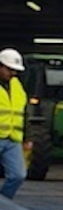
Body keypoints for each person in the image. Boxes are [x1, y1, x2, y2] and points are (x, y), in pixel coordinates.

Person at [0, 48, 27, 200]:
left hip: (12, 139)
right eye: (10, 69)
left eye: (15, 70)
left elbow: (23, 111)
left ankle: (3, 204)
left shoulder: (17, 86)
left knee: (18, 175)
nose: (13, 74)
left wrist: (27, 136)